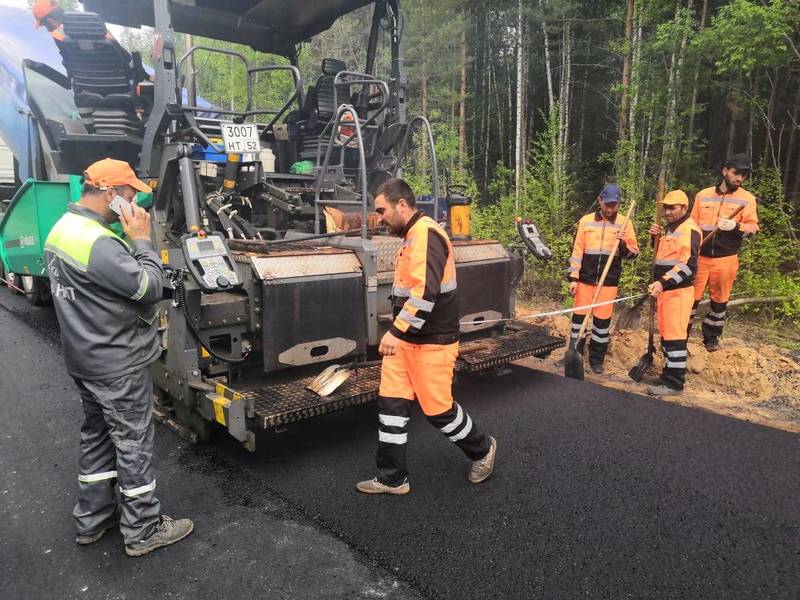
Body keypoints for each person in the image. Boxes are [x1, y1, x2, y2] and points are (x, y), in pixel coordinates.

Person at [44, 158, 193, 557]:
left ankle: (92, 520)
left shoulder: (63, 229)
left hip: (85, 358)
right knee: (133, 443)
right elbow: (148, 287)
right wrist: (142, 240)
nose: (135, 200)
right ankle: (143, 528)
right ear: (110, 194)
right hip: (117, 362)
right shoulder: (99, 242)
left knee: (97, 438)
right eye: (129, 193)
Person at [356, 178, 497, 495]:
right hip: (406, 343)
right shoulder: (410, 237)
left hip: (433, 343)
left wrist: (394, 331)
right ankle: (392, 478)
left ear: (401, 205)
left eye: (382, 210)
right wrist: (400, 334)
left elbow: (424, 295)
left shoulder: (426, 235)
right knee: (391, 406)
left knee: (438, 411)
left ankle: (483, 450)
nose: (379, 217)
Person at [689, 154, 759, 351]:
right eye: (736, 173)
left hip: (726, 258)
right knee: (690, 298)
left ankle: (711, 338)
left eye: (744, 175)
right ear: (725, 170)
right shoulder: (703, 195)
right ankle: (681, 336)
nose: (739, 178)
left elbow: (753, 228)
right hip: (700, 256)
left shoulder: (747, 199)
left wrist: (736, 226)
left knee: (719, 300)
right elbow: (692, 224)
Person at [567, 184, 639, 374]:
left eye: (614, 205)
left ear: (618, 204)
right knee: (578, 321)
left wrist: (623, 244)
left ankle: (596, 360)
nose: (610, 209)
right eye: (607, 204)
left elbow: (633, 254)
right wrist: (573, 278)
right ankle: (574, 354)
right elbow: (576, 252)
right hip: (585, 280)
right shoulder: (586, 221)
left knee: (601, 323)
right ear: (600, 201)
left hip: (608, 281)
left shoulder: (625, 224)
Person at [646, 190, 702, 396]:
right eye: (665, 207)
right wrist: (655, 239)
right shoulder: (671, 228)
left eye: (672, 207)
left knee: (675, 338)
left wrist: (662, 282)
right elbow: (665, 258)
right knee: (667, 336)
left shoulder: (689, 229)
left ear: (684, 208)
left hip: (678, 292)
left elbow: (688, 266)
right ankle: (667, 376)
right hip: (666, 292)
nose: (667, 212)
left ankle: (675, 384)